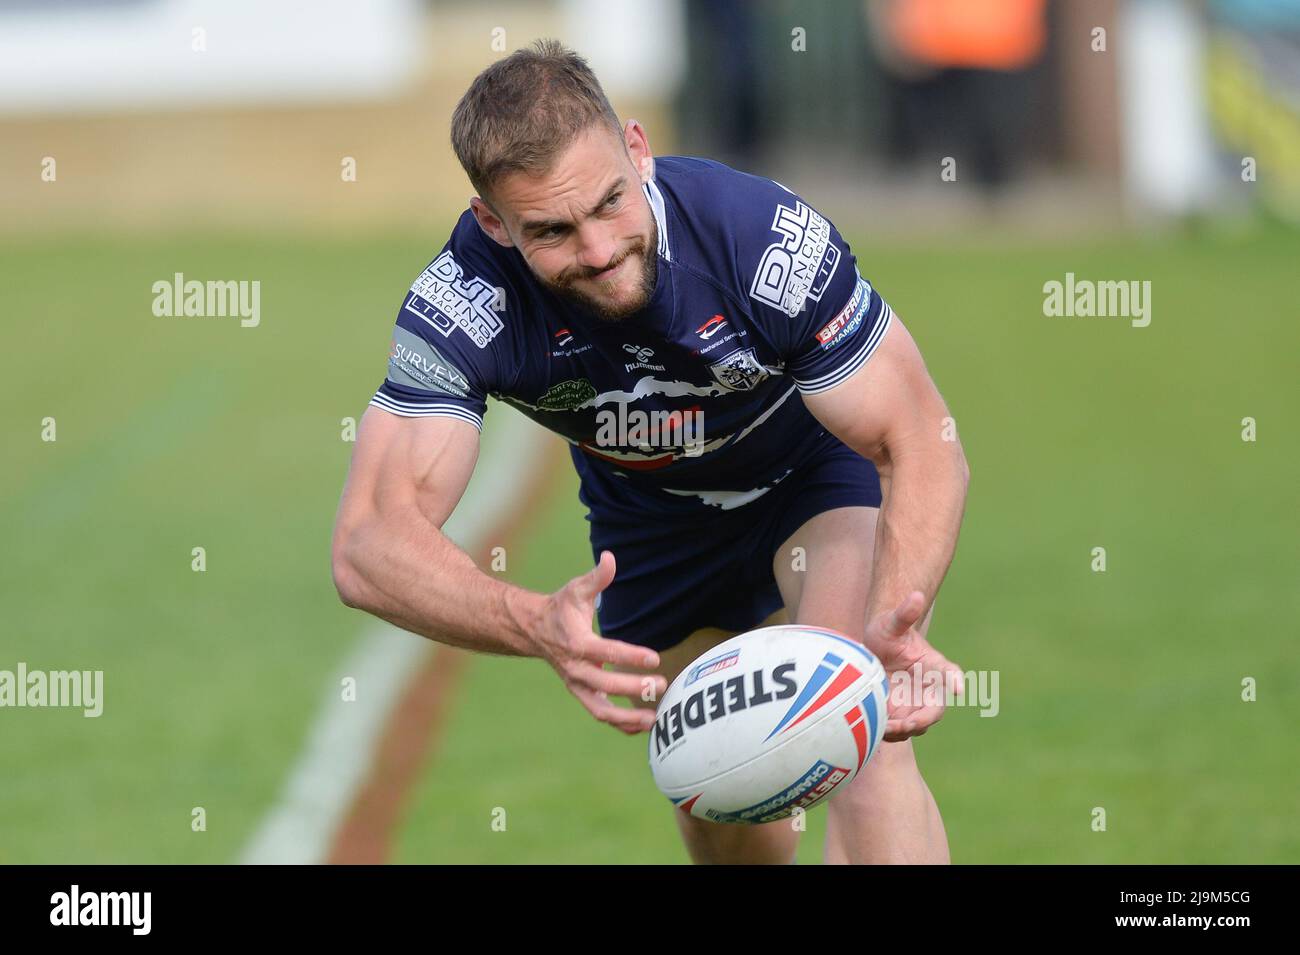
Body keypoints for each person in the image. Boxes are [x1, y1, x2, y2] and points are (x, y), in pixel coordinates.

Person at [331, 39, 970, 865]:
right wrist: (531, 622)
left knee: (858, 727)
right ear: (494, 222)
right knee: (717, 794)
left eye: (608, 204)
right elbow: (368, 541)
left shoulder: (757, 239)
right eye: (552, 230)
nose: (596, 250)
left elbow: (919, 437)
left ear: (638, 150)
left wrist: (894, 618)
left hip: (807, 478)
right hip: (650, 527)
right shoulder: (465, 301)